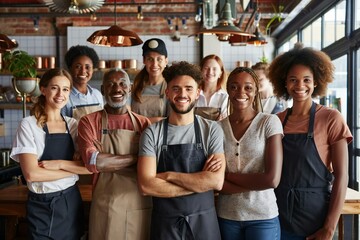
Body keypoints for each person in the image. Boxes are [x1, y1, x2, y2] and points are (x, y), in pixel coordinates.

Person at [268, 44, 353, 240]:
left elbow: (342, 176)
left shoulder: (331, 118)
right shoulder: (277, 120)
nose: (299, 86)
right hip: (276, 215)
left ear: (316, 83)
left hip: (314, 218)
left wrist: (329, 228)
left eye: (306, 80)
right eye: (293, 80)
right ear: (285, 83)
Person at [137, 61, 226, 240]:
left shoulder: (211, 130)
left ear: (197, 93)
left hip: (204, 223)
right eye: (176, 89)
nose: (182, 94)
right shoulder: (152, 133)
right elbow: (146, 185)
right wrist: (200, 183)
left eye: (188, 88)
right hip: (165, 224)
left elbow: (216, 182)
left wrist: (169, 176)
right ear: (167, 92)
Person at [10, 68, 91, 240]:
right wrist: (73, 169)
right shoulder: (29, 125)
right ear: (43, 89)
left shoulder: (74, 125)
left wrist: (60, 164)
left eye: (65, 89)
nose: (60, 94)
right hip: (43, 205)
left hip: (70, 200)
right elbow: (32, 174)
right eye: (55, 88)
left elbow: (90, 167)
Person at [77, 68, 152, 240]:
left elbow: (153, 164)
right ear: (103, 90)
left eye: (122, 84)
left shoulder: (143, 124)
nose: (117, 89)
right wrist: (137, 158)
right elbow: (93, 163)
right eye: (110, 84)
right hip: (106, 204)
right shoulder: (89, 122)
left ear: (130, 88)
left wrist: (106, 158)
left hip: (138, 203)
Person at [216, 66, 283, 240]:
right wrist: (257, 181)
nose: (241, 92)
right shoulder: (217, 128)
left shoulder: (269, 122)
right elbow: (215, 182)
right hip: (226, 217)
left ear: (255, 91)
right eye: (234, 87)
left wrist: (228, 176)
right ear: (227, 90)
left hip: (263, 218)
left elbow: (272, 179)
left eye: (248, 87)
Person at [131, 38, 169, 123]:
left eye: (159, 59)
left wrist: (141, 122)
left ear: (166, 61)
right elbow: (128, 118)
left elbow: (172, 121)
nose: (154, 64)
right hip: (136, 136)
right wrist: (157, 120)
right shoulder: (135, 87)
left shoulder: (171, 87)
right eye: (150, 59)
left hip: (161, 135)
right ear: (144, 60)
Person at [61, 45, 104, 120]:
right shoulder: (64, 96)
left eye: (87, 67)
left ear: (93, 69)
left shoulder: (97, 95)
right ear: (70, 68)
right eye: (78, 67)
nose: (83, 71)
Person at [195, 54, 228, 121]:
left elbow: (224, 122)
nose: (210, 72)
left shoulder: (225, 96)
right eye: (206, 68)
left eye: (214, 69)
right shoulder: (193, 93)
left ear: (220, 73)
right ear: (200, 71)